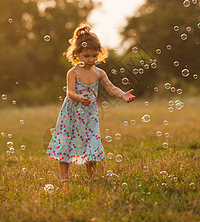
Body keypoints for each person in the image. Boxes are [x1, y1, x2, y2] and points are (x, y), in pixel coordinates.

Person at [47, 23, 135, 182]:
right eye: (87, 56)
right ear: (77, 54)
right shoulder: (72, 72)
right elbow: (70, 92)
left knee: (91, 143)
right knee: (66, 141)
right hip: (72, 114)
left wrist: (122, 95)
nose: (91, 59)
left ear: (99, 54)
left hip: (89, 115)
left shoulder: (99, 72)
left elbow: (110, 87)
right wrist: (79, 98)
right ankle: (64, 178)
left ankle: (93, 177)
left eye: (94, 55)